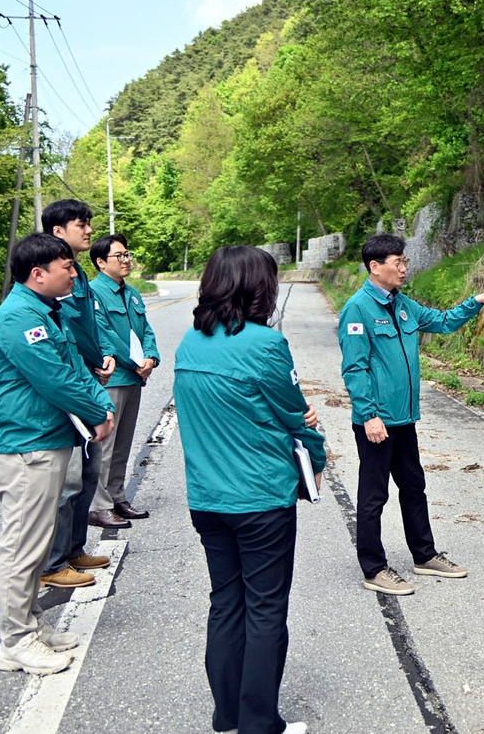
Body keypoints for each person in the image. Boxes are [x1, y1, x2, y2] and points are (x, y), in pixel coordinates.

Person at [174, 245, 325, 734]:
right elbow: (296, 416)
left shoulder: (188, 345)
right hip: (260, 498)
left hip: (207, 498)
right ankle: (260, 724)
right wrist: (315, 454)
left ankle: (228, 715)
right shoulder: (265, 344)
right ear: (257, 287)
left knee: (225, 602)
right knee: (265, 608)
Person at [337, 233, 484, 595]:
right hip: (377, 422)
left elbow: (443, 321)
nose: (404, 269)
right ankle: (374, 568)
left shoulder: (403, 305)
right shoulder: (357, 309)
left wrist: (476, 301)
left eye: (405, 262)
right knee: (374, 496)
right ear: (375, 267)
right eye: (397, 262)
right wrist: (368, 415)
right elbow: (354, 368)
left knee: (414, 487)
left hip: (404, 419)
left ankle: (424, 555)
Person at [0, 233, 114, 675]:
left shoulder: (47, 311)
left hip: (47, 440)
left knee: (37, 545)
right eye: (67, 267)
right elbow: (53, 378)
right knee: (23, 546)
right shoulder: (20, 316)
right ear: (38, 274)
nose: (75, 273)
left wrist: (101, 404)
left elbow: (75, 367)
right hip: (26, 446)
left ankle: (32, 626)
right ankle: (15, 641)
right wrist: (98, 411)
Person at [40, 200, 119, 589]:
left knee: (87, 473)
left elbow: (90, 323)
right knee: (68, 481)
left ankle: (73, 550)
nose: (89, 231)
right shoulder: (51, 276)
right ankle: (53, 563)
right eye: (80, 224)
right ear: (58, 231)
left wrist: (103, 353)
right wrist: (87, 383)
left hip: (88, 374)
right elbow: (62, 339)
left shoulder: (78, 275)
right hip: (72, 385)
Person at [89, 233, 159, 524]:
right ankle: (99, 505)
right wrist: (134, 362)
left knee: (123, 444)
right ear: (101, 262)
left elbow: (146, 331)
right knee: (105, 444)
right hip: (114, 378)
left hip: (134, 378)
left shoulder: (132, 293)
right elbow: (103, 333)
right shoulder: (93, 293)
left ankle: (117, 498)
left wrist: (151, 358)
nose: (126, 260)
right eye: (120, 256)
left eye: (127, 254)